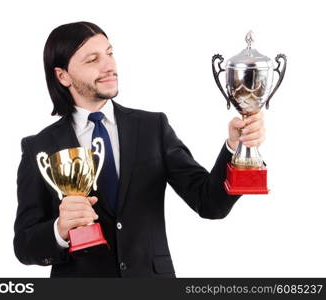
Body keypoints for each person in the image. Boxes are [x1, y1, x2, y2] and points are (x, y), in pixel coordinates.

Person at [13, 21, 265, 278]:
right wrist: (59, 230)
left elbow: (211, 204)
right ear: (62, 75)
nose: (109, 66)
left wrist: (236, 148)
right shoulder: (39, 148)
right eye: (92, 59)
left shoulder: (152, 128)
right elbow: (23, 245)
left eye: (110, 53)